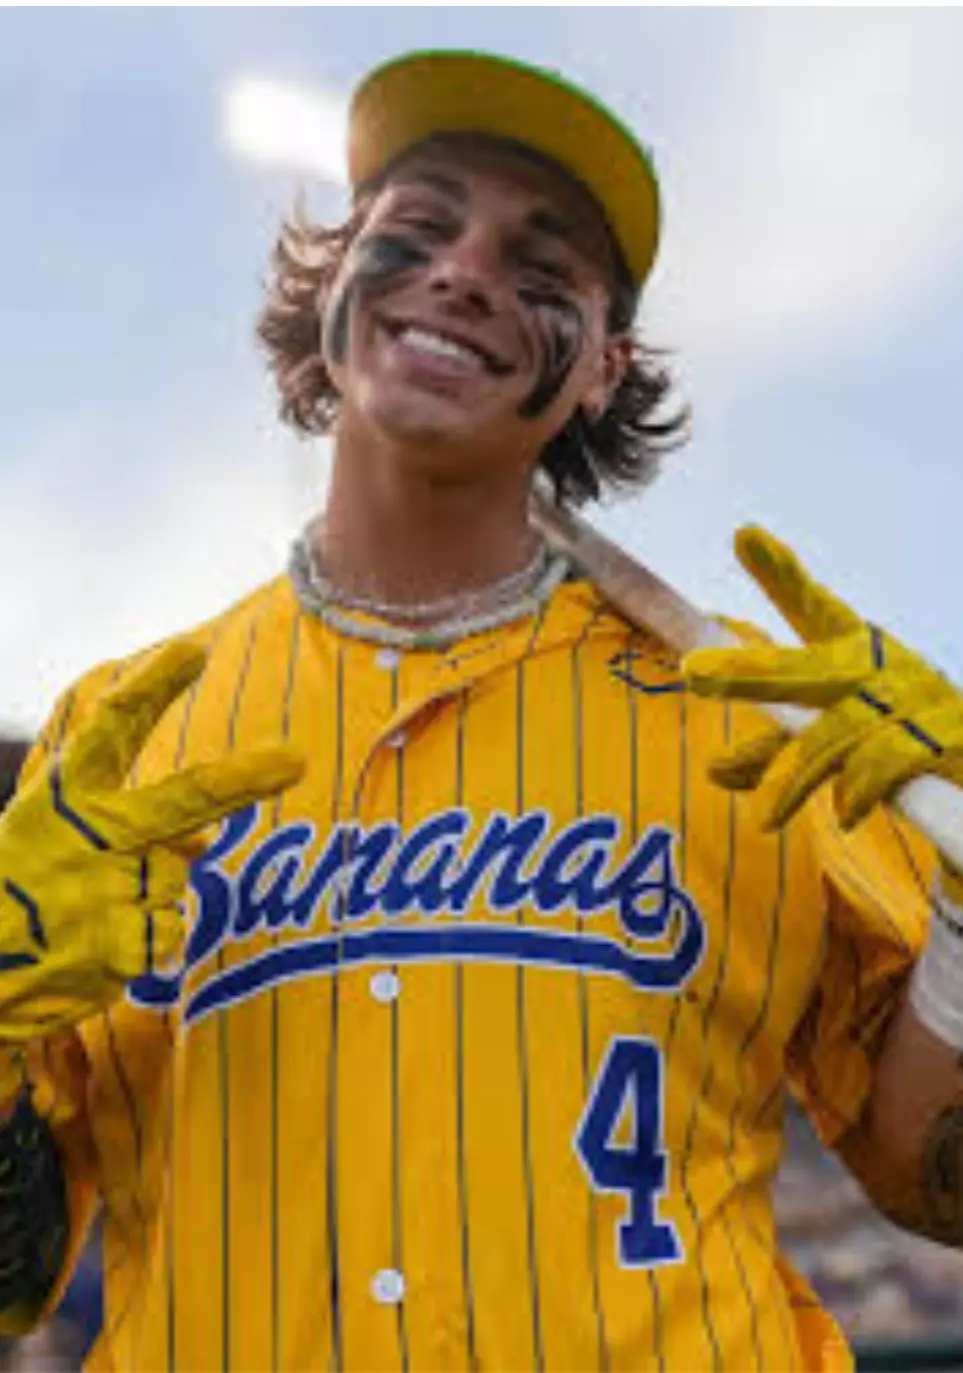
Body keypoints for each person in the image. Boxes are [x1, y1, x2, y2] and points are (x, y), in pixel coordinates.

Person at [1, 47, 963, 1373]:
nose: (463, 272)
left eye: (539, 263)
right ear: (334, 282)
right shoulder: (125, 733)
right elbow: (13, 1285)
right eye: (420, 225)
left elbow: (938, 1188)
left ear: (602, 369)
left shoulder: (751, 714)